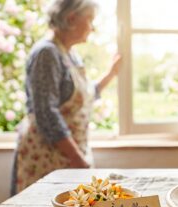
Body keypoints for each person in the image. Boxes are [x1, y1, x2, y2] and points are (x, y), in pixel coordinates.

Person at [11, 0, 121, 193]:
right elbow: (46, 112)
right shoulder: (47, 53)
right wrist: (77, 158)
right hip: (47, 155)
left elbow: (85, 96)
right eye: (89, 20)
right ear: (71, 18)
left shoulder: (69, 54)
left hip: (66, 155)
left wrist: (111, 74)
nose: (92, 28)